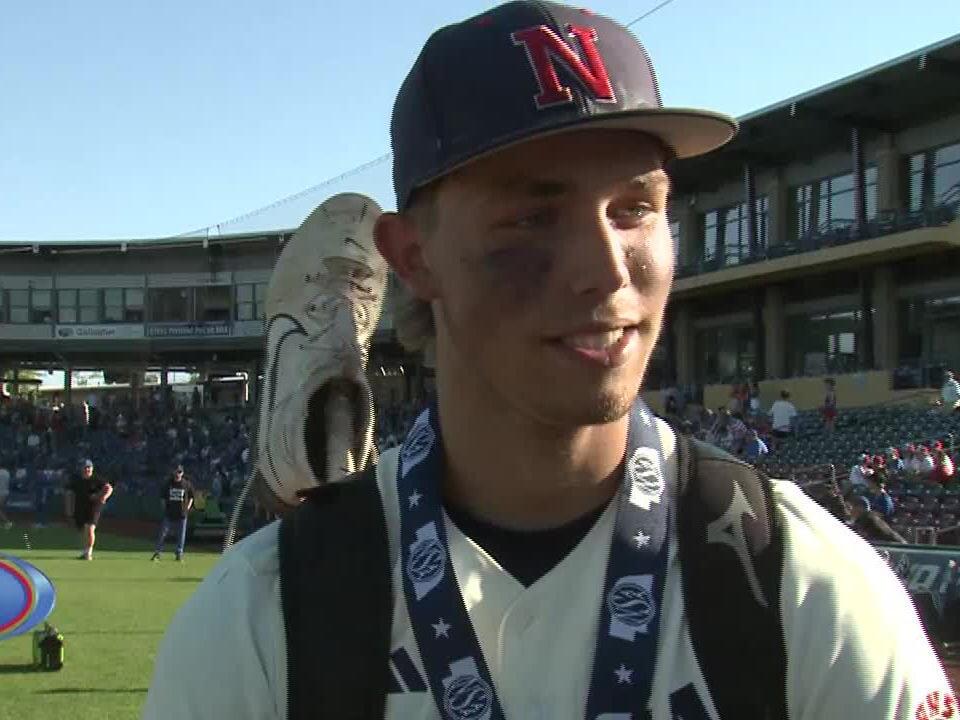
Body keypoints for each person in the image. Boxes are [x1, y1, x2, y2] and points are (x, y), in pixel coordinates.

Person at [144, 3, 951, 718]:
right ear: (413, 258)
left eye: (636, 209)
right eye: (534, 216)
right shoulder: (261, 620)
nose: (605, 267)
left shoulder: (803, 589)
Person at [68, 459, 112, 561]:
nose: (87, 469)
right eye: (85, 467)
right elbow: (70, 493)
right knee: (84, 530)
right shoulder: (77, 480)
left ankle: (89, 553)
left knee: (90, 528)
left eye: (89, 467)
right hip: (81, 507)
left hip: (94, 507)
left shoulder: (97, 479)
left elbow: (109, 488)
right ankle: (85, 551)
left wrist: (103, 497)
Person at [152, 464, 195, 562]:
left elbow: (192, 496)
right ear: (173, 472)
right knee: (162, 534)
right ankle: (157, 553)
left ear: (182, 473)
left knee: (181, 536)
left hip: (182, 514)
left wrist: (187, 507)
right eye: (176, 472)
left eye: (180, 472)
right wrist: (165, 508)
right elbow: (162, 497)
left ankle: (179, 554)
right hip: (169, 513)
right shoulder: (168, 484)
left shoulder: (186, 484)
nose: (178, 474)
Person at [0, 464, 12, 530]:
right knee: (2, 509)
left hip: (1, 493)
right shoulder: (7, 472)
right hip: (6, 492)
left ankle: (8, 522)